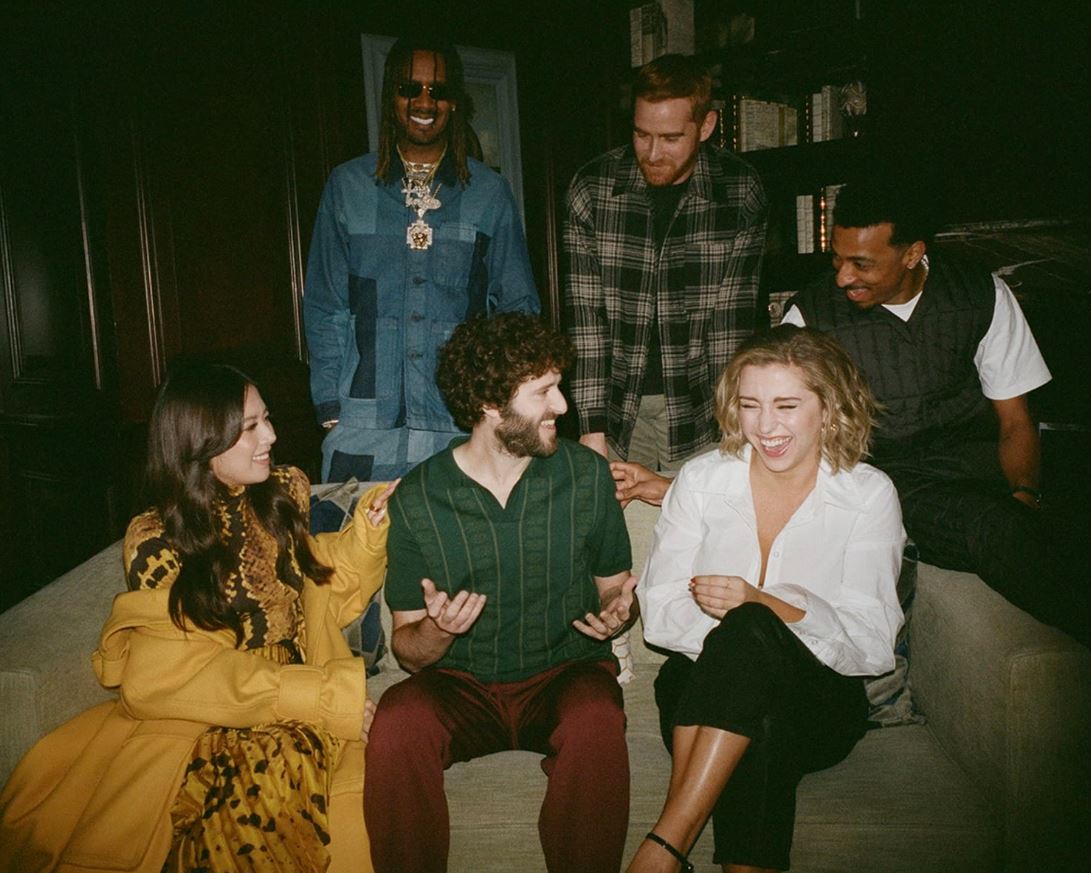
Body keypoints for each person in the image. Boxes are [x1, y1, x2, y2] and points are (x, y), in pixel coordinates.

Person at [0, 363, 393, 873]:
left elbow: (319, 587)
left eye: (267, 419)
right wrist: (318, 697)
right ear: (201, 442)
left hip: (297, 695)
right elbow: (174, 673)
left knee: (281, 779)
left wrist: (365, 535)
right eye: (250, 427)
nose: (272, 436)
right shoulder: (157, 538)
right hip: (213, 707)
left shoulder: (282, 495)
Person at [364, 313, 637, 873]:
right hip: (460, 685)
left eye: (559, 386)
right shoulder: (419, 497)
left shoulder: (586, 475)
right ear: (490, 403)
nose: (562, 405)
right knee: (396, 721)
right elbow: (408, 651)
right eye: (543, 391)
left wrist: (619, 612)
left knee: (597, 718)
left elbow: (616, 588)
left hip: (564, 674)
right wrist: (438, 630)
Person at [629, 326, 904, 873]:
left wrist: (772, 607)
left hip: (821, 702)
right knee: (757, 709)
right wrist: (744, 641)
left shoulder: (868, 494)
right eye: (750, 405)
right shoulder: (702, 480)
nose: (765, 425)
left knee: (753, 624)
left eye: (787, 405)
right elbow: (660, 612)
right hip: (697, 683)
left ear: (829, 408)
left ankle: (665, 846)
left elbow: (872, 644)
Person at [781, 181, 1088, 646]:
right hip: (894, 484)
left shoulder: (979, 293)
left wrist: (1025, 495)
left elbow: (1016, 420)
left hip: (978, 472)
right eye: (837, 260)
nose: (843, 277)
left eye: (861, 264)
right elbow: (783, 427)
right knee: (992, 527)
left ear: (912, 254)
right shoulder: (811, 316)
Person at [304, 35, 539, 483]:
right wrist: (332, 409)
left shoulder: (489, 194)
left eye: (439, 90)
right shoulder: (347, 186)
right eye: (410, 88)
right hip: (362, 427)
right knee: (356, 531)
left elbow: (518, 310)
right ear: (391, 96)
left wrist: (502, 405)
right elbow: (324, 304)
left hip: (459, 426)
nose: (425, 102)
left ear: (454, 102)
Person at [564, 52, 767, 473]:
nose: (653, 153)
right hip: (617, 416)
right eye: (642, 135)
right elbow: (586, 319)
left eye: (671, 138)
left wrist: (733, 427)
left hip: (703, 413)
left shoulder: (739, 192)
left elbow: (730, 328)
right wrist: (591, 426)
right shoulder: (592, 189)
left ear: (706, 126)